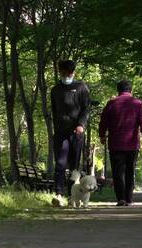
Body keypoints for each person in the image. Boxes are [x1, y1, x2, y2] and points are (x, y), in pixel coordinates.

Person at [99, 80, 142, 206]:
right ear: (131, 90)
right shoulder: (137, 103)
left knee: (118, 172)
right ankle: (129, 199)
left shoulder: (111, 103)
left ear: (118, 90)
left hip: (115, 143)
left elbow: (103, 121)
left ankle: (120, 199)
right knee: (130, 171)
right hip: (132, 144)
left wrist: (102, 135)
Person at [51, 60, 90, 207]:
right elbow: (54, 111)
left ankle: (72, 195)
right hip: (61, 132)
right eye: (63, 73)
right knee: (60, 163)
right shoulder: (55, 90)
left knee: (74, 165)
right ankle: (58, 194)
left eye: (68, 73)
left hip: (76, 133)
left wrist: (81, 124)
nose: (66, 76)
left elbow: (86, 108)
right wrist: (56, 128)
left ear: (73, 73)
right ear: (59, 72)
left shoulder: (81, 88)